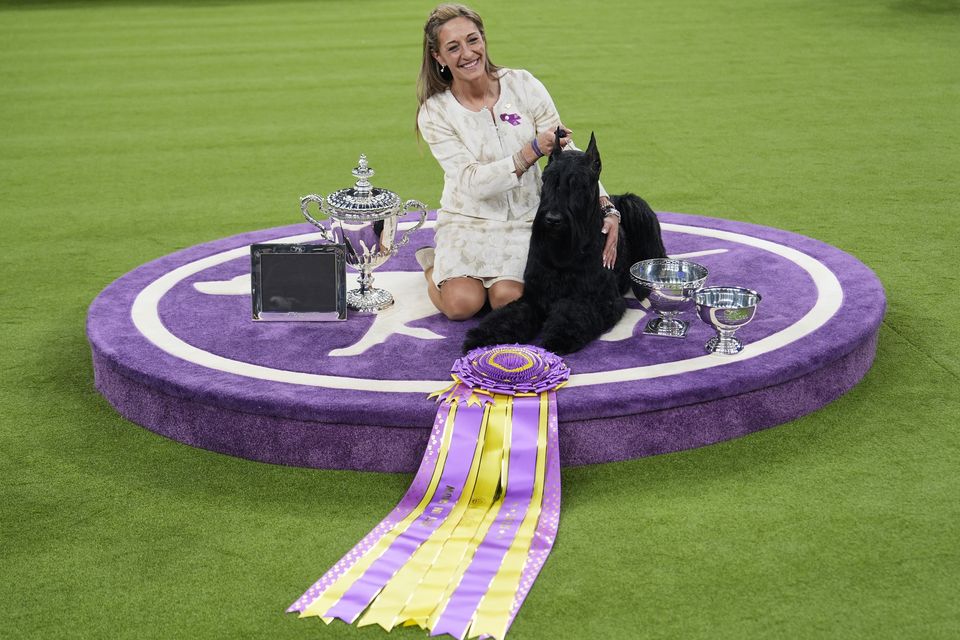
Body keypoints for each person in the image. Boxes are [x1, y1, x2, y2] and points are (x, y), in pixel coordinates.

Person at [415, 3, 621, 320]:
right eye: (453, 47)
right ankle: (433, 267)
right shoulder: (434, 112)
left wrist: (606, 206)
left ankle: (476, 279)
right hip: (467, 220)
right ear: (438, 57)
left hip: (527, 218)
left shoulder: (523, 84)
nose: (467, 53)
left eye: (473, 40)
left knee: (508, 301)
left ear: (483, 40)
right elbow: (472, 182)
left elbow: (568, 151)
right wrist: (531, 151)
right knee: (461, 306)